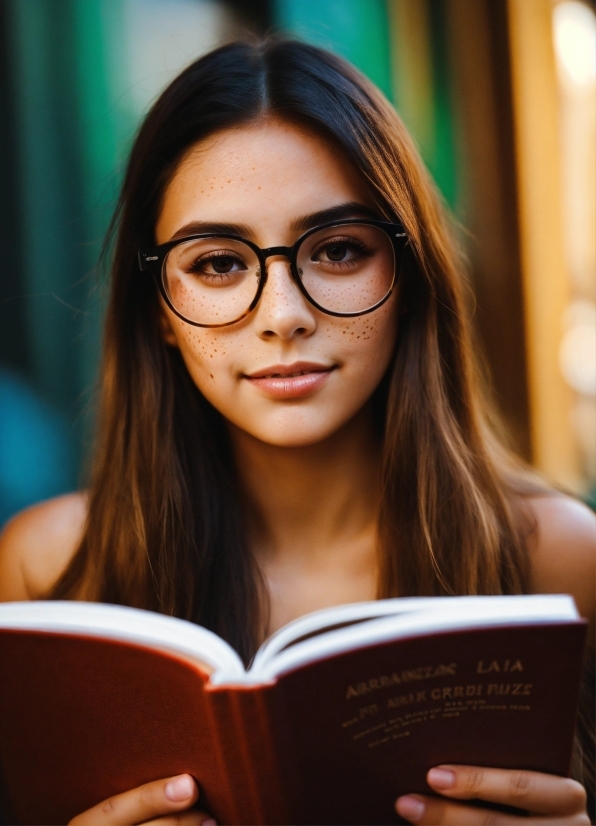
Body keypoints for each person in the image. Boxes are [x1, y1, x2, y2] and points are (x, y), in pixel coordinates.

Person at [0, 38, 594, 826]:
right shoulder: (47, 572)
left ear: (407, 280)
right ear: (158, 311)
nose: (284, 316)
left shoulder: (554, 556)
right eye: (217, 264)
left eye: (340, 250)